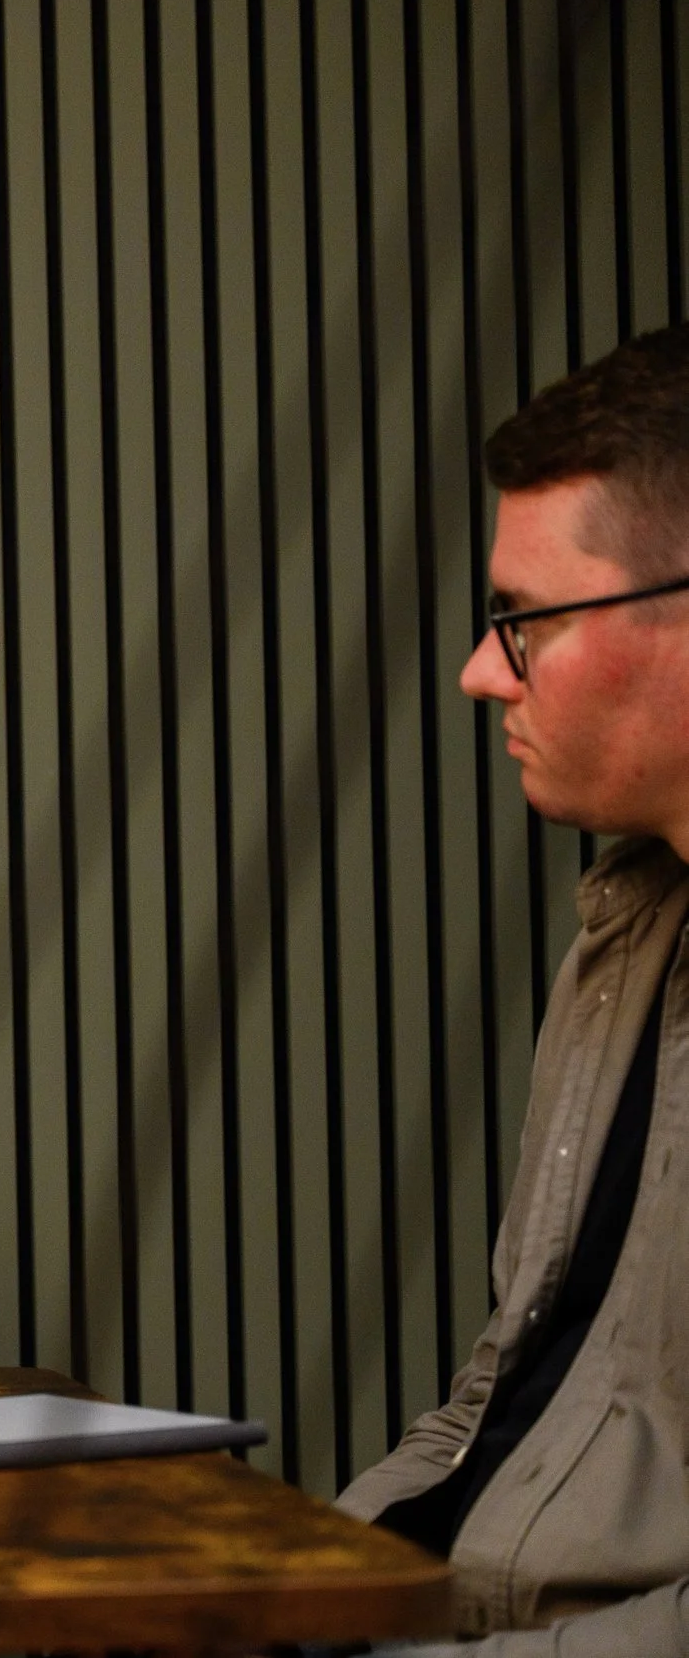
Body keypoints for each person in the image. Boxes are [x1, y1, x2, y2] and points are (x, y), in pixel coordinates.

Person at [330, 323, 689, 1653]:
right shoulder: (620, 941)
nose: (485, 671)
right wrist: (277, 1590)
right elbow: (501, 1396)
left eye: (523, 619)